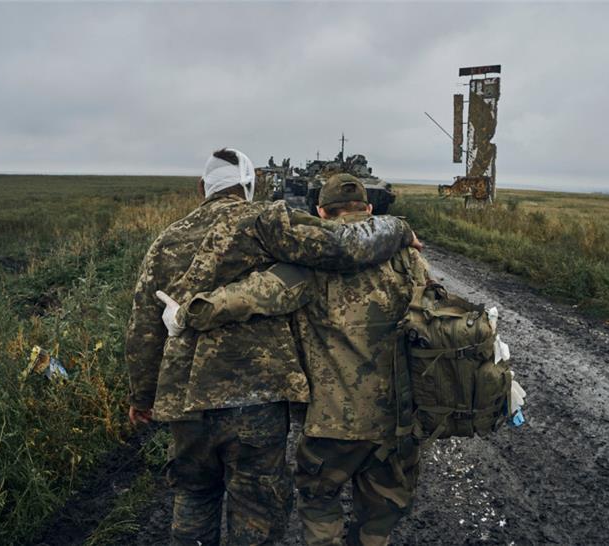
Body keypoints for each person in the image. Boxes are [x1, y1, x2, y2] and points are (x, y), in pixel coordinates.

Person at [126, 151, 419, 546]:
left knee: (193, 493)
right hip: (255, 396)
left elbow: (144, 328)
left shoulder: (165, 241)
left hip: (185, 400)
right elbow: (341, 246)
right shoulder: (264, 221)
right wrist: (396, 228)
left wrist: (142, 396)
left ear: (202, 188)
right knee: (257, 508)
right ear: (250, 185)